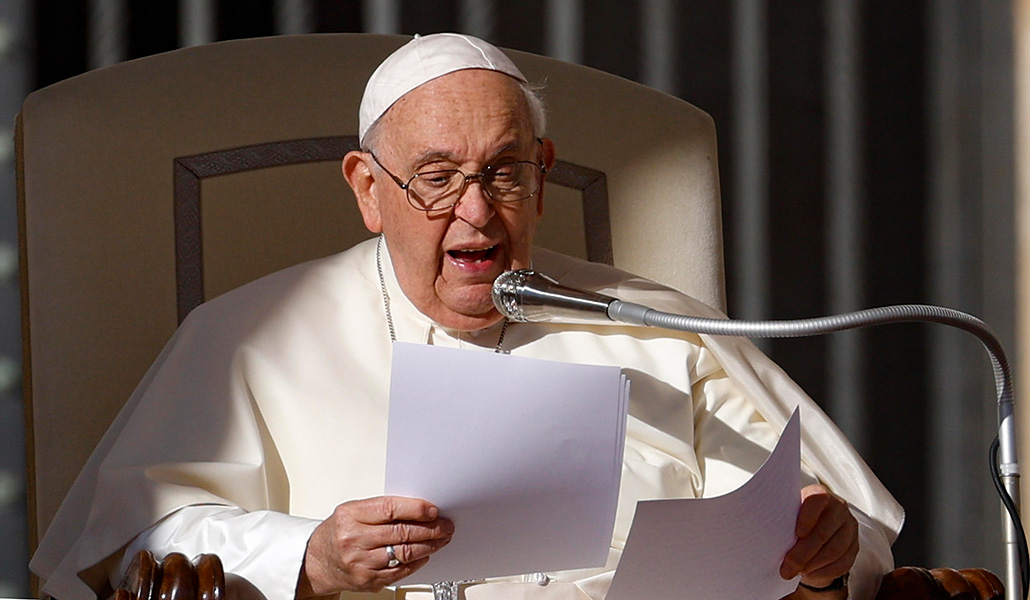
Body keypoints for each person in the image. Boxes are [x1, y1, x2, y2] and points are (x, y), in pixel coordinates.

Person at [30, 33, 902, 600]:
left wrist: (824, 557)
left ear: (545, 173)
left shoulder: (661, 330)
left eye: (505, 172)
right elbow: (131, 545)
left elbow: (849, 539)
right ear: (368, 190)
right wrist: (316, 558)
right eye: (438, 178)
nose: (478, 215)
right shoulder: (249, 339)